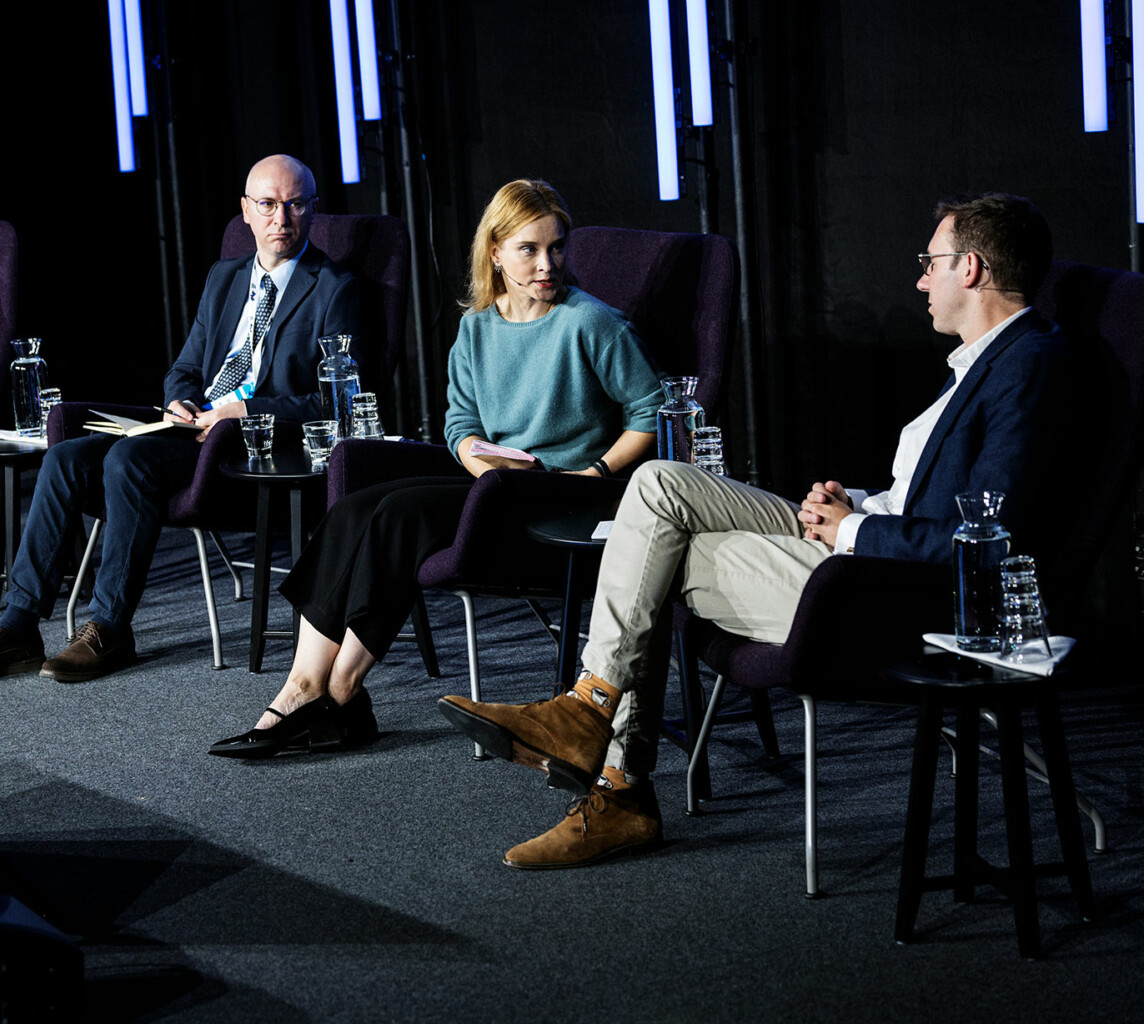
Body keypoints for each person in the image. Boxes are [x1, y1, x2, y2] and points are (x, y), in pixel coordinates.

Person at [438, 192, 1071, 870]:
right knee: (657, 486)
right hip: (864, 539)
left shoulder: (1024, 365)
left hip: (891, 590)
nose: (921, 278)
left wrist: (852, 528)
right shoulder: (979, 364)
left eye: (931, 262)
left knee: (655, 551)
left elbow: (986, 536)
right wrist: (855, 501)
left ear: (970, 269)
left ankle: (614, 778)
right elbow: (930, 497)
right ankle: (592, 718)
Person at [208, 179, 663, 758]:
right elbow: (458, 423)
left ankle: (341, 693)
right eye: (529, 249)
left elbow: (654, 411)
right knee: (352, 509)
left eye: (557, 247)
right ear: (495, 252)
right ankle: (304, 685)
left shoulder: (593, 323)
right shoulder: (476, 328)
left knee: (401, 514)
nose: (547, 264)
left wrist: (595, 473)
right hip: (495, 482)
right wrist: (474, 451)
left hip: (561, 495)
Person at [0, 154, 366, 684]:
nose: (282, 217)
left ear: (313, 210)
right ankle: (19, 625)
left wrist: (244, 409)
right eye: (269, 204)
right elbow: (185, 367)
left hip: (250, 442)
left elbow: (334, 402)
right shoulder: (225, 277)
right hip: (191, 428)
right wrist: (179, 401)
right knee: (66, 457)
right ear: (246, 212)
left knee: (128, 459)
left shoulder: (334, 287)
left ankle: (110, 629)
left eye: (296, 204)